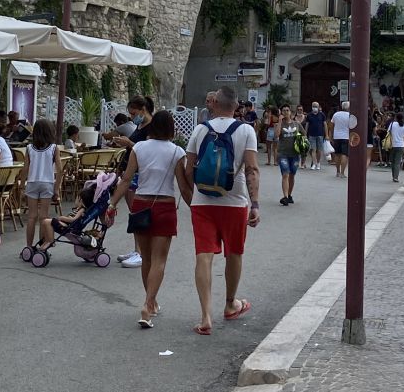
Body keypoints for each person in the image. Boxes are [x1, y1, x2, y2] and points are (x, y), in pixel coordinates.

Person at [184, 87, 260, 335]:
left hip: (202, 202)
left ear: (214, 103)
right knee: (234, 253)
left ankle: (205, 316)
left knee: (203, 256)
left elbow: (188, 168)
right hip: (235, 201)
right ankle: (230, 304)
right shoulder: (246, 130)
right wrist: (255, 203)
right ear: (236, 106)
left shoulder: (200, 129)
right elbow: (252, 170)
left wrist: (193, 196)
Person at [106, 112, 189, 328]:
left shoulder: (139, 148)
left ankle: (151, 302)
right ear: (171, 128)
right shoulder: (177, 152)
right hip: (164, 205)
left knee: (147, 259)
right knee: (159, 260)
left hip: (141, 205)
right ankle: (148, 304)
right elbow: (182, 185)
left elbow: (126, 180)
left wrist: (112, 204)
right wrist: (196, 207)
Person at [113, 95, 155, 268]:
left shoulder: (152, 127)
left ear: (143, 110)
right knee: (134, 211)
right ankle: (137, 248)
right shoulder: (140, 124)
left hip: (141, 173)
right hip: (133, 170)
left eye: (133, 113)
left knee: (139, 212)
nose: (131, 117)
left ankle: (142, 252)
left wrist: (129, 142)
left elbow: (148, 150)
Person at [18, 119, 62, 250]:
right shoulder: (54, 148)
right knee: (44, 216)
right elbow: (59, 171)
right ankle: (42, 245)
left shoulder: (29, 148)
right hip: (47, 183)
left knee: (31, 217)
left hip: (32, 182)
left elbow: (25, 169)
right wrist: (57, 189)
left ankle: (28, 247)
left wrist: (21, 186)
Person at [275, 105, 301, 205]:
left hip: (294, 154)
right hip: (283, 153)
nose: (285, 112)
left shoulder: (296, 124)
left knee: (292, 175)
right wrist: (280, 122)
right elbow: (276, 136)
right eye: (283, 110)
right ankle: (285, 196)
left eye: (287, 110)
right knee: (285, 173)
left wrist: (303, 147)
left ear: (291, 112)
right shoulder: (279, 124)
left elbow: (303, 135)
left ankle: (289, 195)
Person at [305, 102, 328, 171]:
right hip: (311, 135)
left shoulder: (322, 115)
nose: (315, 107)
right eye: (313, 106)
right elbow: (307, 125)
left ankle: (318, 163)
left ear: (318, 107)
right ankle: (314, 164)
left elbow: (325, 125)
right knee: (313, 150)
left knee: (319, 150)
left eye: (316, 106)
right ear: (311, 107)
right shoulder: (309, 115)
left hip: (320, 135)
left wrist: (326, 135)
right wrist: (305, 134)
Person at [331, 101, 351, 178]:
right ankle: (342, 173)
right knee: (344, 155)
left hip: (337, 136)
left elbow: (332, 125)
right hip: (346, 137)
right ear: (348, 107)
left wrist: (331, 135)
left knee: (337, 154)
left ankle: (337, 172)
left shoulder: (336, 114)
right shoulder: (349, 115)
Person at [388, 113, 404, 183]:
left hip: (392, 145)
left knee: (393, 161)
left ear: (396, 117)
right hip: (401, 145)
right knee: (397, 162)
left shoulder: (392, 124)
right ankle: (396, 177)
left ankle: (394, 176)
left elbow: (389, 133)